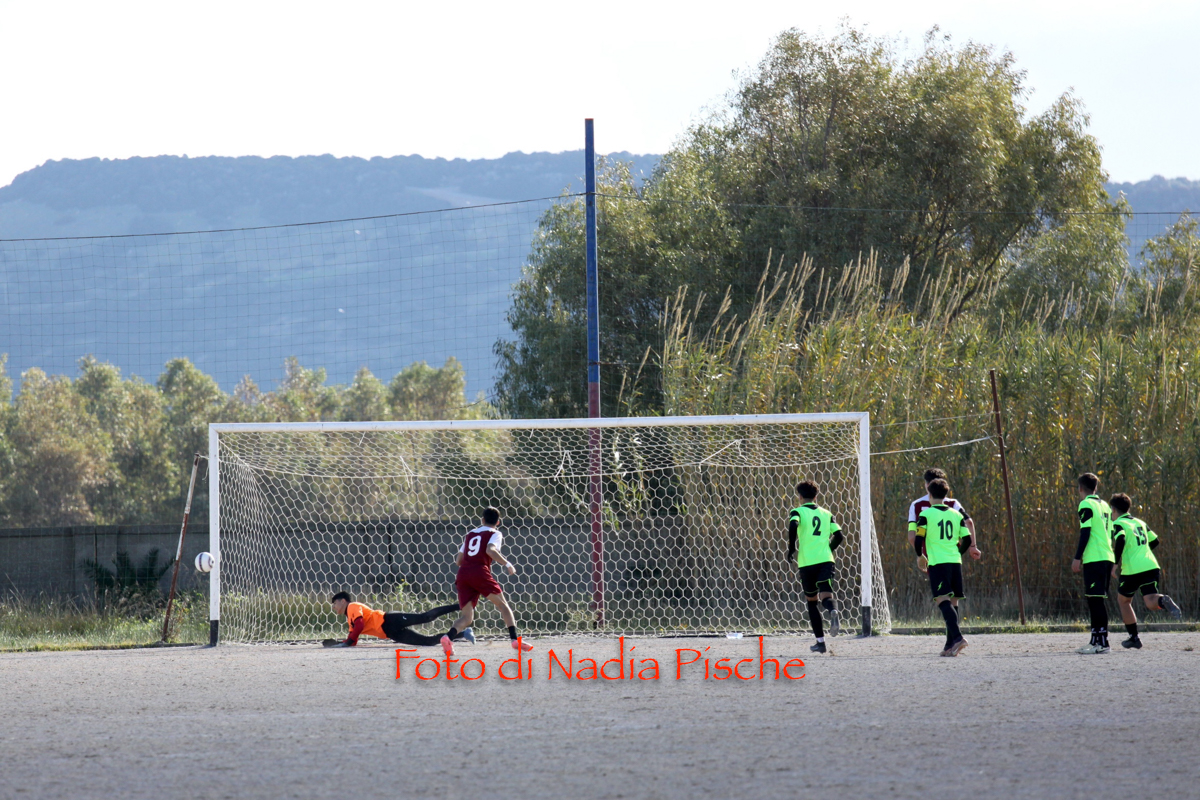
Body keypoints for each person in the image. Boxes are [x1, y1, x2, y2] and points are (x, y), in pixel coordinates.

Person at [441, 506, 534, 656]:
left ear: (482, 520)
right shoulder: (495, 533)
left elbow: (458, 561)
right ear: (498, 522)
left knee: (467, 617)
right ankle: (515, 640)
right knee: (503, 606)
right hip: (479, 572)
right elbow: (490, 550)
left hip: (463, 574)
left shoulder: (470, 534)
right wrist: (507, 564)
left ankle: (448, 637)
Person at [914, 478, 981, 656]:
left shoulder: (926, 515)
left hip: (938, 563)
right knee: (953, 601)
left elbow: (919, 539)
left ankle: (958, 638)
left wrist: (920, 556)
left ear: (929, 494)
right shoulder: (956, 515)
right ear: (946, 495)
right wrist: (958, 553)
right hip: (955, 562)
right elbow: (967, 539)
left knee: (942, 600)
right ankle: (950, 645)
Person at [1110, 493, 1183, 649]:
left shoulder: (1119, 523)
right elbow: (1155, 540)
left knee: (1124, 601)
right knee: (1150, 601)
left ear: (1114, 510)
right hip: (1150, 565)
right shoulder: (1140, 522)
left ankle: (1134, 637)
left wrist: (1115, 564)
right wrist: (1141, 551)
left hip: (1132, 569)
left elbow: (1121, 539)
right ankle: (1162, 600)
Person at [787, 480, 845, 654]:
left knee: (812, 602)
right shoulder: (827, 514)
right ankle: (833, 610)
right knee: (826, 596)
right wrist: (829, 549)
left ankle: (821, 643)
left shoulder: (797, 511)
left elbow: (793, 524)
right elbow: (839, 536)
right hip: (826, 560)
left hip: (807, 562)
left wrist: (791, 548)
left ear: (800, 496)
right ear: (816, 496)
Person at [325, 592, 468, 648]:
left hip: (389, 620)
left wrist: (347, 642)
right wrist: (340, 643)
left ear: (343, 601)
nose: (334, 607)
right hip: (390, 633)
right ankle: (463, 634)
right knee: (427, 642)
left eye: (334, 603)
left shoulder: (352, 606)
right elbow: (353, 638)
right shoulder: (349, 619)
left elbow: (360, 625)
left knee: (426, 617)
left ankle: (461, 605)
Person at [1072, 473, 1114, 654]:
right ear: (1095, 488)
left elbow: (1085, 532)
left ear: (1081, 488)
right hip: (1107, 556)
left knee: (1095, 601)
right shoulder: (1105, 505)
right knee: (1096, 600)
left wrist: (1077, 557)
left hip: (1095, 558)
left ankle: (1102, 643)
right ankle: (1096, 640)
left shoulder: (1086, 504)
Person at [907, 468, 976, 549]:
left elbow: (912, 536)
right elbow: (969, 522)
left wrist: (921, 553)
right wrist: (973, 547)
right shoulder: (953, 504)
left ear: (927, 485)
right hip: (952, 553)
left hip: (930, 553)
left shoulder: (916, 505)